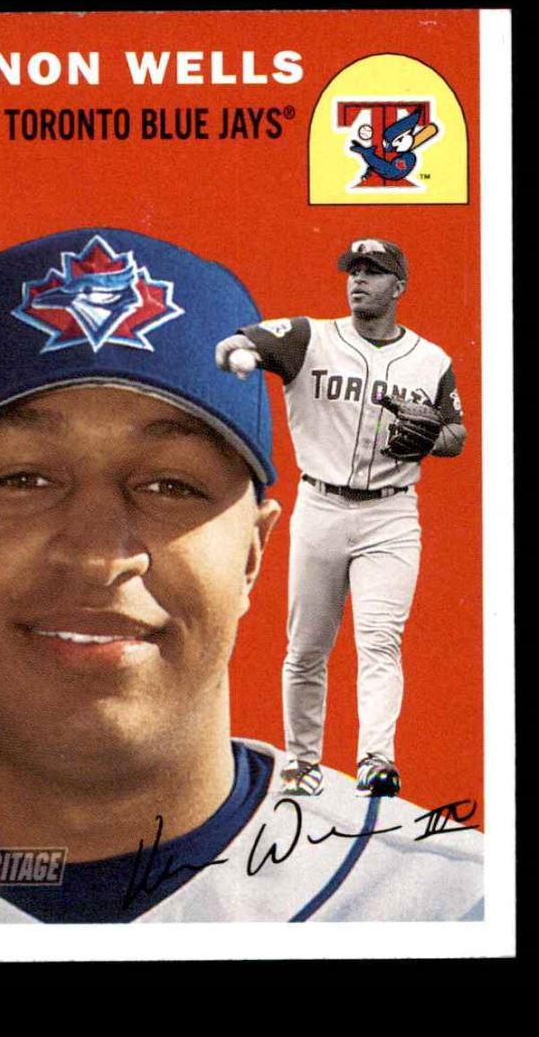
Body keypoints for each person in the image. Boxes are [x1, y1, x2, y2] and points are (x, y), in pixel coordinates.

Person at [0, 229, 481, 924]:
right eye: (25, 478)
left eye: (171, 485)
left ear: (254, 553)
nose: (100, 556)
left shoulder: (459, 908)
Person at [216, 238, 466, 800]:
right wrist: (239, 357)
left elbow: (456, 434)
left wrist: (433, 438)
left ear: (398, 287)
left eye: (373, 272)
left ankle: (376, 759)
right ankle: (303, 763)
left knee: (380, 640)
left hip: (391, 515)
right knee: (307, 648)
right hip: (321, 508)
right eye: (354, 270)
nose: (358, 280)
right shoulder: (311, 337)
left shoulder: (431, 360)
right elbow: (240, 341)